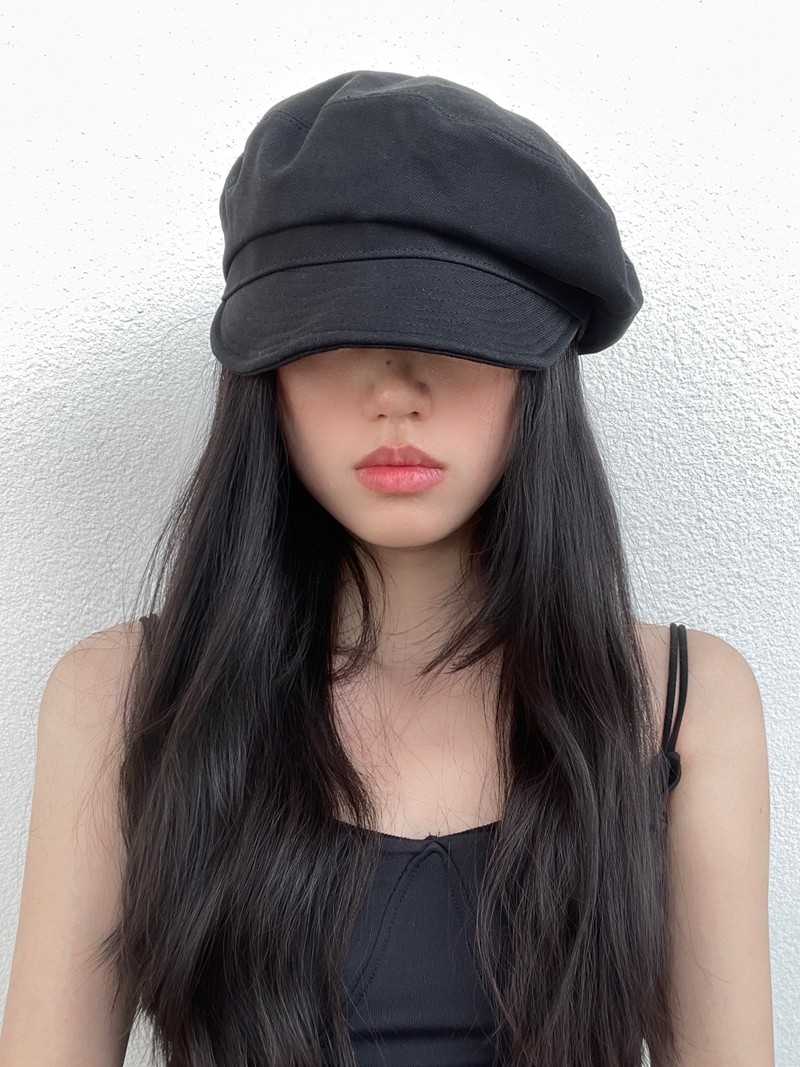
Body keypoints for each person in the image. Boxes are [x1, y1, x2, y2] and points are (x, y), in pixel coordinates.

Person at [0, 71, 774, 1067]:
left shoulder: (678, 704)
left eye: (449, 331)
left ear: (534, 373)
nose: (394, 393)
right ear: (267, 371)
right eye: (333, 332)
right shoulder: (120, 700)